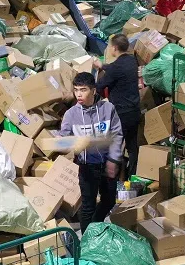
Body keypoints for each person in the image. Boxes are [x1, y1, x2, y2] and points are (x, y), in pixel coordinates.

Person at [59, 72, 124, 233]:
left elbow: (117, 135)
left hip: (108, 164)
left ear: (93, 91)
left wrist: (114, 160)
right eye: (76, 90)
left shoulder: (108, 109)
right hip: (87, 166)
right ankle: (88, 241)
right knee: (88, 206)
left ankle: (95, 227)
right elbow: (64, 139)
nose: (79, 94)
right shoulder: (71, 115)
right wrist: (68, 144)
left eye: (83, 90)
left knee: (109, 201)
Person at [93, 33, 140, 179]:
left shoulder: (115, 68)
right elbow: (115, 69)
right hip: (134, 111)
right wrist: (103, 66)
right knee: (132, 146)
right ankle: (131, 176)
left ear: (114, 48)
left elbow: (101, 84)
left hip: (121, 113)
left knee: (115, 146)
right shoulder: (132, 61)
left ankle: (114, 180)